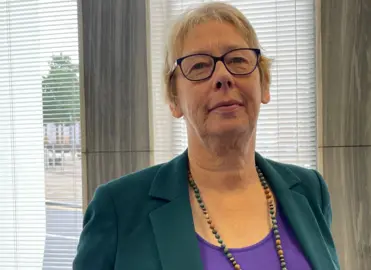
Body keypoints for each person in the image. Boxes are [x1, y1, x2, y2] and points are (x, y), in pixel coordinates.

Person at [73, 2, 339, 270]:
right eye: (199, 66)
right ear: (174, 99)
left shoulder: (310, 192)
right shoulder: (119, 209)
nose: (223, 76)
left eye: (238, 60)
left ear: (264, 84)